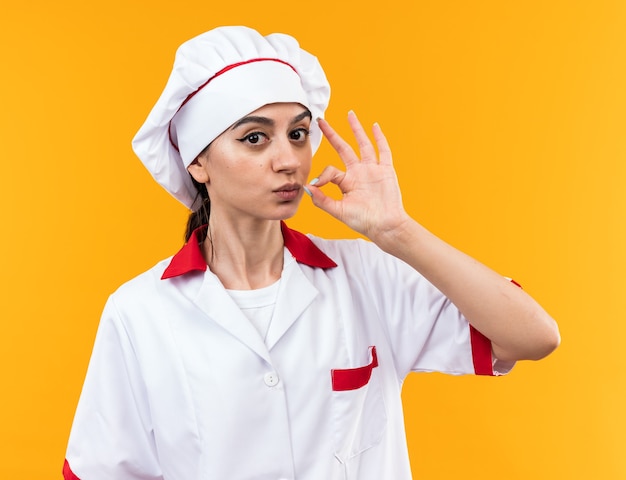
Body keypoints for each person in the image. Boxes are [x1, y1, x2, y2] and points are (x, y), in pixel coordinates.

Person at [63, 26, 560, 480]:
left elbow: (533, 336)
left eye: (298, 134)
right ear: (198, 164)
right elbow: (103, 469)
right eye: (255, 138)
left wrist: (398, 231)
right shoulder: (139, 313)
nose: (289, 161)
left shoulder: (367, 276)